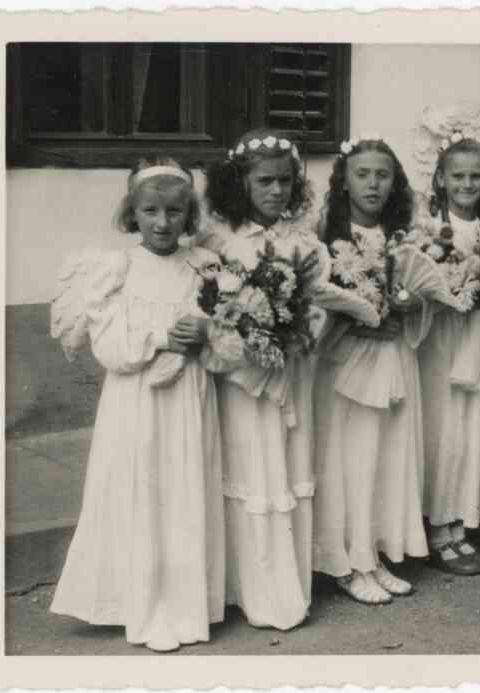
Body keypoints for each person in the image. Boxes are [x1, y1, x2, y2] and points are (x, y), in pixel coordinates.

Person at [50, 158, 224, 651]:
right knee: (142, 490)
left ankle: (187, 607)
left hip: (188, 398)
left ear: (188, 216)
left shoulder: (202, 267)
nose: (163, 223)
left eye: (174, 212)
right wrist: (162, 336)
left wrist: (206, 332)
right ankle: (141, 604)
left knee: (183, 489)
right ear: (134, 214)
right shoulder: (118, 270)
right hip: (136, 404)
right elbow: (112, 348)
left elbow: (225, 328)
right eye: (151, 211)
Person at [200, 129, 329, 630]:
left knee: (288, 464)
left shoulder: (303, 241)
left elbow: (320, 303)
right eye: (263, 182)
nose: (275, 191)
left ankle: (287, 584)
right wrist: (244, 328)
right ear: (240, 184)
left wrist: (303, 328)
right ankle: (248, 588)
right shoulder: (221, 241)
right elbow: (210, 307)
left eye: (284, 182)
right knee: (252, 469)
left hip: (292, 370)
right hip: (241, 378)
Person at [312, 136, 431, 604]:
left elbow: (424, 297)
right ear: (343, 181)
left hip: (394, 356)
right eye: (362, 174)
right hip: (347, 364)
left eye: (382, 175)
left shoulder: (403, 239)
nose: (373, 184)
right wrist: (358, 320)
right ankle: (347, 561)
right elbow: (320, 311)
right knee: (351, 459)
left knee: (384, 457)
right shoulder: (327, 241)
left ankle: (374, 553)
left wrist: (408, 305)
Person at [418, 135, 480, 576]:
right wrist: (464, 285)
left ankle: (462, 528)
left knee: (474, 427)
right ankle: (440, 530)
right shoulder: (429, 230)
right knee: (447, 429)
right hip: (446, 338)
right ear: (441, 178)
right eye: (458, 176)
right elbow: (427, 282)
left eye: (476, 176)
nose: (467, 184)